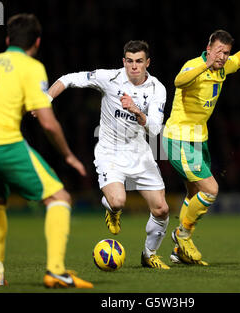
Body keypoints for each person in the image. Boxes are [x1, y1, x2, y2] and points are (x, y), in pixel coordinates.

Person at [0, 13, 93, 288]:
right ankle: (56, 270)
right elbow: (47, 122)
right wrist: (68, 155)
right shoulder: (31, 66)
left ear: (8, 39)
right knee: (59, 197)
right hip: (3, 143)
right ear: (37, 41)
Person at [46, 40, 170, 269]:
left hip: (140, 152)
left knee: (161, 209)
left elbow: (154, 129)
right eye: (130, 61)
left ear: (147, 63)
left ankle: (149, 254)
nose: (134, 66)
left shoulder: (157, 88)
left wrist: (136, 110)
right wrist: (46, 99)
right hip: (110, 152)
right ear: (123, 62)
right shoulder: (110, 78)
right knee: (118, 201)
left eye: (139, 61)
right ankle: (112, 210)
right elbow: (69, 78)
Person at [162, 15, 240, 265]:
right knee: (211, 190)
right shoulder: (194, 66)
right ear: (208, 49)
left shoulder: (224, 66)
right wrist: (205, 65)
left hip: (200, 139)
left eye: (226, 53)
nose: (223, 57)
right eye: (219, 51)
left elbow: (239, 61)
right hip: (179, 139)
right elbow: (179, 81)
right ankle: (182, 235)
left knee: (194, 192)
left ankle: (180, 252)